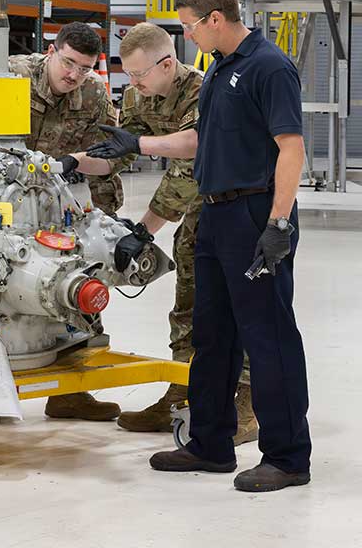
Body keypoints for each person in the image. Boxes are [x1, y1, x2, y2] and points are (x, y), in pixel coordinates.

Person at [87, 0, 311, 493]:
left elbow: (292, 149)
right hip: (214, 215)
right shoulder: (220, 72)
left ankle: (288, 456)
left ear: (215, 19)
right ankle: (210, 444)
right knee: (212, 336)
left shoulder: (269, 67)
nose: (188, 38)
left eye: (189, 27)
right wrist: (138, 144)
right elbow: (197, 140)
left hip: (255, 214)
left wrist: (278, 223)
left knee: (268, 336)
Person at [0, 21, 124, 422]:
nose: (74, 75)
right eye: (68, 63)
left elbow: (110, 154)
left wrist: (103, 220)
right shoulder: (7, 73)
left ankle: (72, 393)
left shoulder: (94, 94)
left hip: (53, 203)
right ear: (52, 51)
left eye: (84, 68)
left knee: (72, 289)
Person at [93, 22, 256, 443]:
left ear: (166, 65)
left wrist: (145, 230)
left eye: (139, 74)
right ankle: (184, 392)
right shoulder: (136, 95)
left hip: (231, 203)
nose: (133, 83)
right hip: (196, 217)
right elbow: (118, 150)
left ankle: (246, 402)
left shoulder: (204, 91)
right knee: (188, 304)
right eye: (127, 74)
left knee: (237, 306)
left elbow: (190, 165)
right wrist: (75, 167)